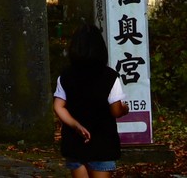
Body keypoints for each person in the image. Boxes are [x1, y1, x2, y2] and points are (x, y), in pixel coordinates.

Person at [52, 24, 129, 178]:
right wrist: (125, 108)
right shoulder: (110, 76)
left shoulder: (66, 76)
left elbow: (58, 106)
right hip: (102, 142)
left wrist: (76, 125)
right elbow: (115, 110)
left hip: (75, 142)